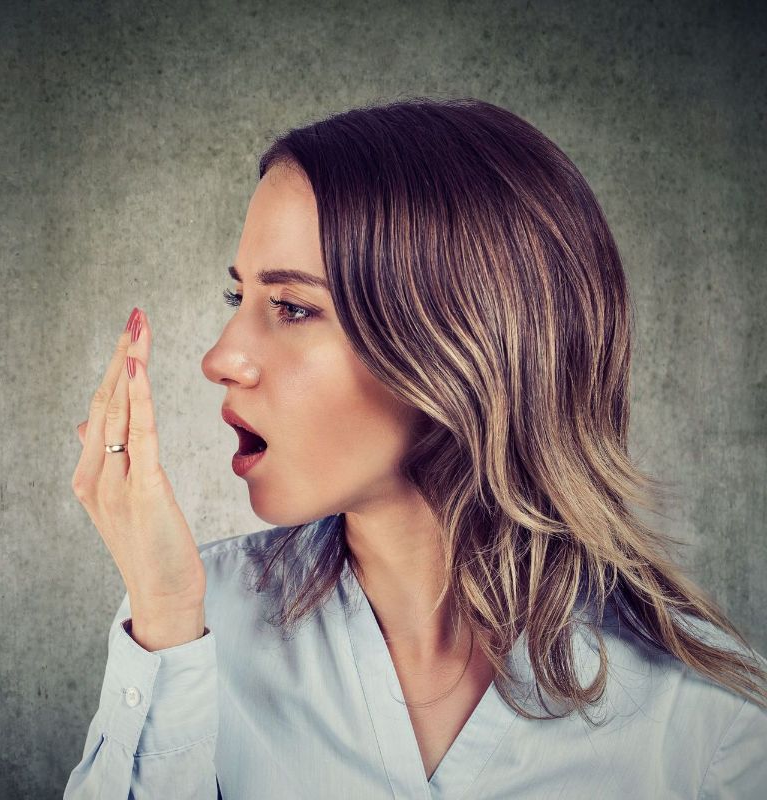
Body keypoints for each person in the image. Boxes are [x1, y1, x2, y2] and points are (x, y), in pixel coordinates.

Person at [63, 97, 767, 799]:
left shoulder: (700, 720)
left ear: (460, 345)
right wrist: (163, 620)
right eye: (237, 299)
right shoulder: (192, 627)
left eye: (293, 307)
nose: (220, 358)